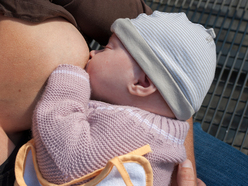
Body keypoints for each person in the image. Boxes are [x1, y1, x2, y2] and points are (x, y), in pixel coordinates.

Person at [0, 1, 198, 185]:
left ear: (142, 82)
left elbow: (65, 163)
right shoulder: (166, 138)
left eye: (106, 48)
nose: (92, 53)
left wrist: (69, 83)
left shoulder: (127, 128)